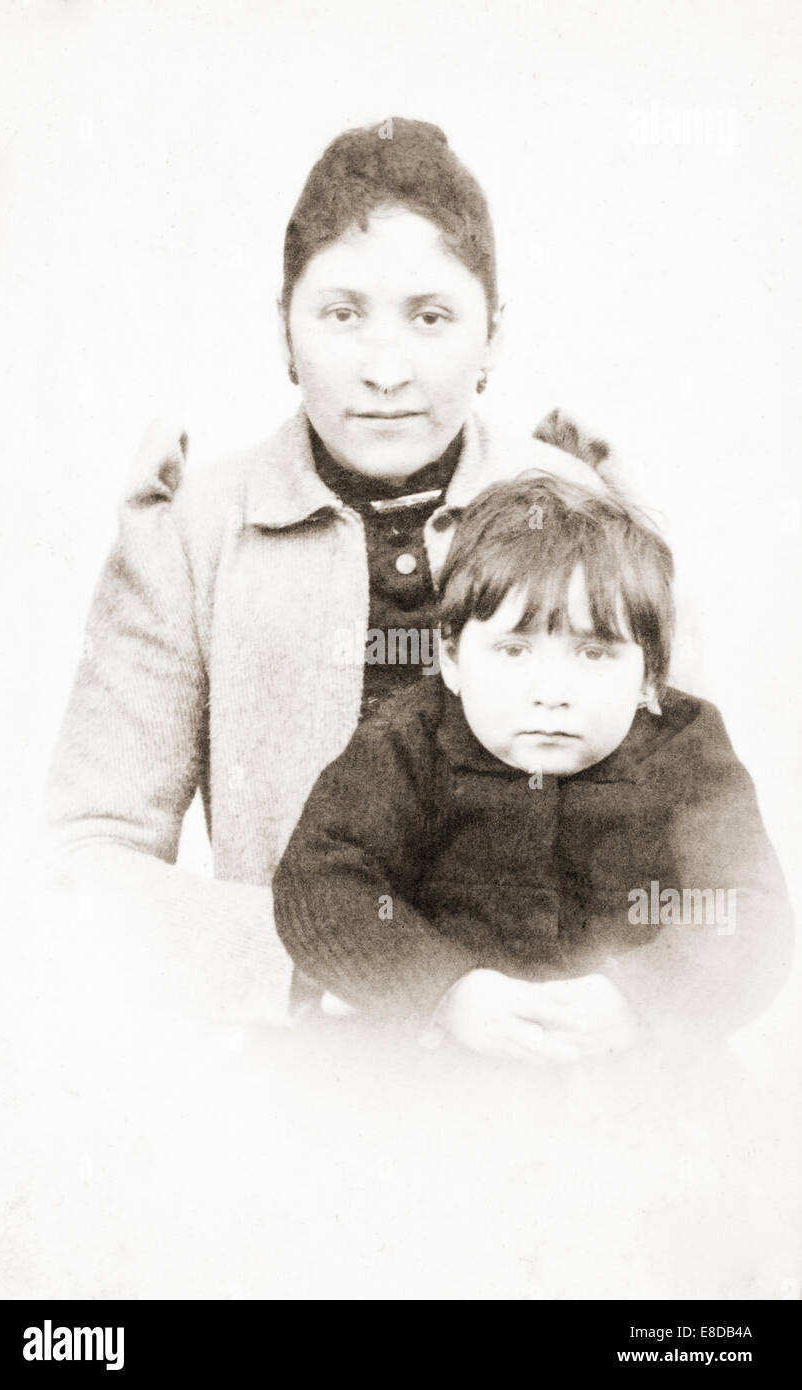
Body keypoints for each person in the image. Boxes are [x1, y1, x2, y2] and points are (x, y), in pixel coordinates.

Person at [44, 117, 609, 1027]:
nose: (385, 370)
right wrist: (319, 963)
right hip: (294, 1066)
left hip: (548, 1063)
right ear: (285, 328)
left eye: (431, 318)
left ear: (492, 335)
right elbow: (86, 860)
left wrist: (603, 998)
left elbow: (699, 845)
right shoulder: (192, 536)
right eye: (342, 315)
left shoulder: (584, 516)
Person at [273, 472, 793, 1061]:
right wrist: (444, 991)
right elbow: (323, 879)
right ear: (452, 660)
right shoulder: (405, 743)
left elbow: (745, 909)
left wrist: (641, 1000)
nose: (551, 691)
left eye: (593, 653)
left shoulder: (684, 750)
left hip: (631, 1077)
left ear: (650, 675)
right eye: (514, 651)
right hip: (441, 1069)